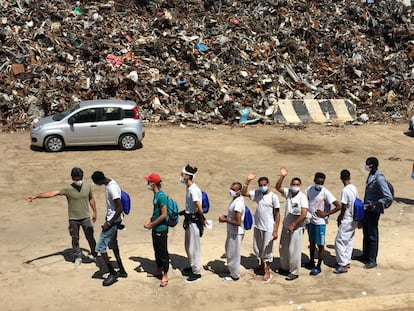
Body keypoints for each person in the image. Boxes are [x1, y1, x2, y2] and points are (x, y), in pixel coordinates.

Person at [27, 167, 97, 269]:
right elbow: (52, 193)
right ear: (72, 178)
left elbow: (91, 198)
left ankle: (95, 253)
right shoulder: (67, 189)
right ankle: (78, 256)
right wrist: (37, 196)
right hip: (73, 219)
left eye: (80, 178)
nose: (78, 181)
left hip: (86, 217)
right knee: (75, 238)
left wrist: (94, 212)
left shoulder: (87, 187)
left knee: (90, 236)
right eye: (76, 179)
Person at [241, 172, 280, 283]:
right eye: (261, 185)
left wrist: (276, 230)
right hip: (258, 225)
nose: (263, 187)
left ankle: (267, 271)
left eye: (264, 184)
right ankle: (261, 265)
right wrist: (247, 181)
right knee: (258, 247)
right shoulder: (258, 193)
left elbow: (277, 214)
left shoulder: (273, 197)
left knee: (267, 250)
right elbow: (244, 193)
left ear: (268, 184)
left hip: (268, 227)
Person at [355, 157, 393, 269]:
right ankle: (365, 255)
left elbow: (388, 197)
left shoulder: (379, 178)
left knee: (372, 235)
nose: (366, 166)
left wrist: (376, 203)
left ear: (373, 165)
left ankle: (372, 260)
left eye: (368, 164)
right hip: (367, 208)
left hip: (373, 210)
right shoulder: (372, 174)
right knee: (366, 233)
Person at [91, 171, 127, 286]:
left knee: (100, 247)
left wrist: (110, 223)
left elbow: (120, 208)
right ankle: (121, 270)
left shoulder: (111, 188)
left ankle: (112, 273)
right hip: (114, 220)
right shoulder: (111, 183)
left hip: (112, 222)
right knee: (113, 244)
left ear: (99, 181)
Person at [304, 172, 341, 276]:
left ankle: (318, 266)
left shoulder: (325, 192)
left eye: (322, 183)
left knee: (320, 245)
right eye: (318, 182)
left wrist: (326, 213)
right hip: (310, 221)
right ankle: (311, 261)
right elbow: (307, 200)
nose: (320, 184)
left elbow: (338, 206)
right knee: (311, 242)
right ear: (314, 180)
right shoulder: (309, 189)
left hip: (320, 223)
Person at [275, 167, 308, 281]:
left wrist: (294, 224)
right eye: (293, 184)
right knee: (283, 248)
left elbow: (303, 214)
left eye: (297, 184)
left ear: (300, 185)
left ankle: (294, 271)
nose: (295, 186)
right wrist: (282, 176)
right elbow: (277, 187)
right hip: (286, 225)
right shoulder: (288, 192)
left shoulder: (302, 197)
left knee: (294, 250)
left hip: (296, 227)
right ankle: (285, 267)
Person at [179, 164, 206, 283]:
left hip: (194, 222)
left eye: (182, 174)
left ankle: (196, 272)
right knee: (188, 245)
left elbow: (198, 205)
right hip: (189, 220)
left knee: (194, 247)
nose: (181, 176)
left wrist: (202, 218)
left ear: (187, 176)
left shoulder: (194, 190)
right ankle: (191, 265)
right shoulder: (189, 188)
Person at [143, 173, 169, 287]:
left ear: (153, 183)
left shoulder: (161, 196)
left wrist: (152, 224)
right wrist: (150, 220)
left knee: (163, 252)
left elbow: (164, 215)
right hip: (155, 228)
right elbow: (156, 212)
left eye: (148, 181)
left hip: (161, 229)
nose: (147, 183)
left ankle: (165, 274)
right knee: (156, 251)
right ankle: (158, 270)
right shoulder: (156, 195)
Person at [218, 182, 245, 282]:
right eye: (231, 188)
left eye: (234, 189)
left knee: (233, 254)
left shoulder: (238, 203)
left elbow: (238, 222)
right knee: (229, 251)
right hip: (232, 231)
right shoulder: (236, 200)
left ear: (239, 191)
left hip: (236, 233)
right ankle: (231, 270)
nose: (232, 191)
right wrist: (227, 217)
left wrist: (225, 220)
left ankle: (235, 275)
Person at [333, 169, 358, 274]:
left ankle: (343, 265)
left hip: (347, 219)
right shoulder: (353, 188)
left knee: (339, 241)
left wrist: (340, 217)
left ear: (341, 178)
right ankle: (346, 261)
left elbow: (343, 206)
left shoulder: (345, 190)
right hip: (354, 219)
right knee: (349, 241)